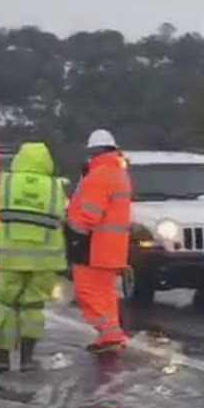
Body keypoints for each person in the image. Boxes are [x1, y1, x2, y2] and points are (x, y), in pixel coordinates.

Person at [0, 141, 67, 372]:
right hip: (44, 259)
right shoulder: (54, 187)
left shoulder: (7, 181)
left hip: (11, 257)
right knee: (32, 307)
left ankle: (0, 358)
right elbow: (60, 215)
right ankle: (27, 359)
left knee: (6, 304)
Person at [65, 128, 132, 353]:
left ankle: (110, 333)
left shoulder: (99, 175)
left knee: (86, 291)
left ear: (94, 151)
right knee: (106, 294)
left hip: (94, 246)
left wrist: (72, 232)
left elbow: (89, 214)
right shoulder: (118, 173)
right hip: (112, 248)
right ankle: (109, 336)